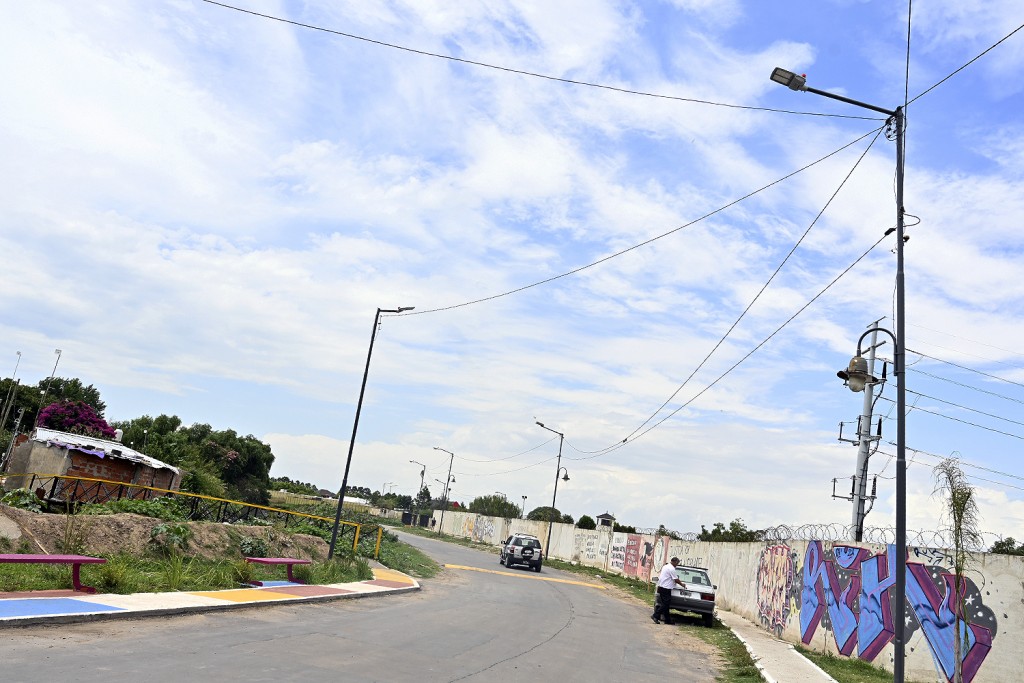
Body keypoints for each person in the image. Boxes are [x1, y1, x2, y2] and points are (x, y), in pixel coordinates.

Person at [651, 557, 684, 624]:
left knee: (666, 604)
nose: (677, 565)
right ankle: (655, 615)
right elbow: (676, 579)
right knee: (665, 604)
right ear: (674, 562)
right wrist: (682, 584)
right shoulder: (671, 569)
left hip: (661, 587)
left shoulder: (665, 566)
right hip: (666, 588)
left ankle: (667, 620)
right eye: (677, 563)